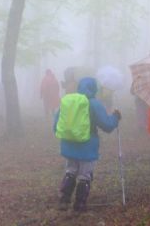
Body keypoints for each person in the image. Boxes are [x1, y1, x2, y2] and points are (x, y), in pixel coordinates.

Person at [54, 77, 121, 211]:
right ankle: (79, 204)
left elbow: (56, 125)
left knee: (70, 170)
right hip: (87, 145)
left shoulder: (68, 100)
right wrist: (115, 117)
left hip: (69, 143)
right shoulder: (94, 104)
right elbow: (107, 126)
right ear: (94, 88)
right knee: (85, 175)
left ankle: (64, 199)